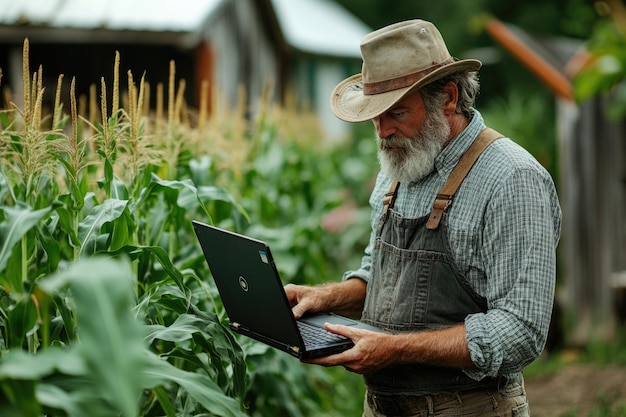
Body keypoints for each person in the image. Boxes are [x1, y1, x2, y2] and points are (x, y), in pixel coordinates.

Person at [284, 19, 562, 416]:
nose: (382, 132)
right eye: (374, 117)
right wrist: (322, 298)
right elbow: (381, 280)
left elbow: (521, 330)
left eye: (396, 113)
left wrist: (395, 349)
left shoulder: (512, 179)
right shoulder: (400, 164)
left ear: (448, 98)